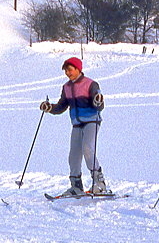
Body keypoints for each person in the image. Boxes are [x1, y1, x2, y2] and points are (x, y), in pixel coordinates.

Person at [38, 57, 109, 196]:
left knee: (87, 148)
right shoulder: (67, 87)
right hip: (76, 124)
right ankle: (76, 186)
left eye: (70, 70)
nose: (68, 73)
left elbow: (99, 105)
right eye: (66, 71)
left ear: (78, 69)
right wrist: (49, 107)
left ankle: (99, 183)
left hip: (91, 121)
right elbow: (61, 106)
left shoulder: (91, 84)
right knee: (74, 155)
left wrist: (98, 101)